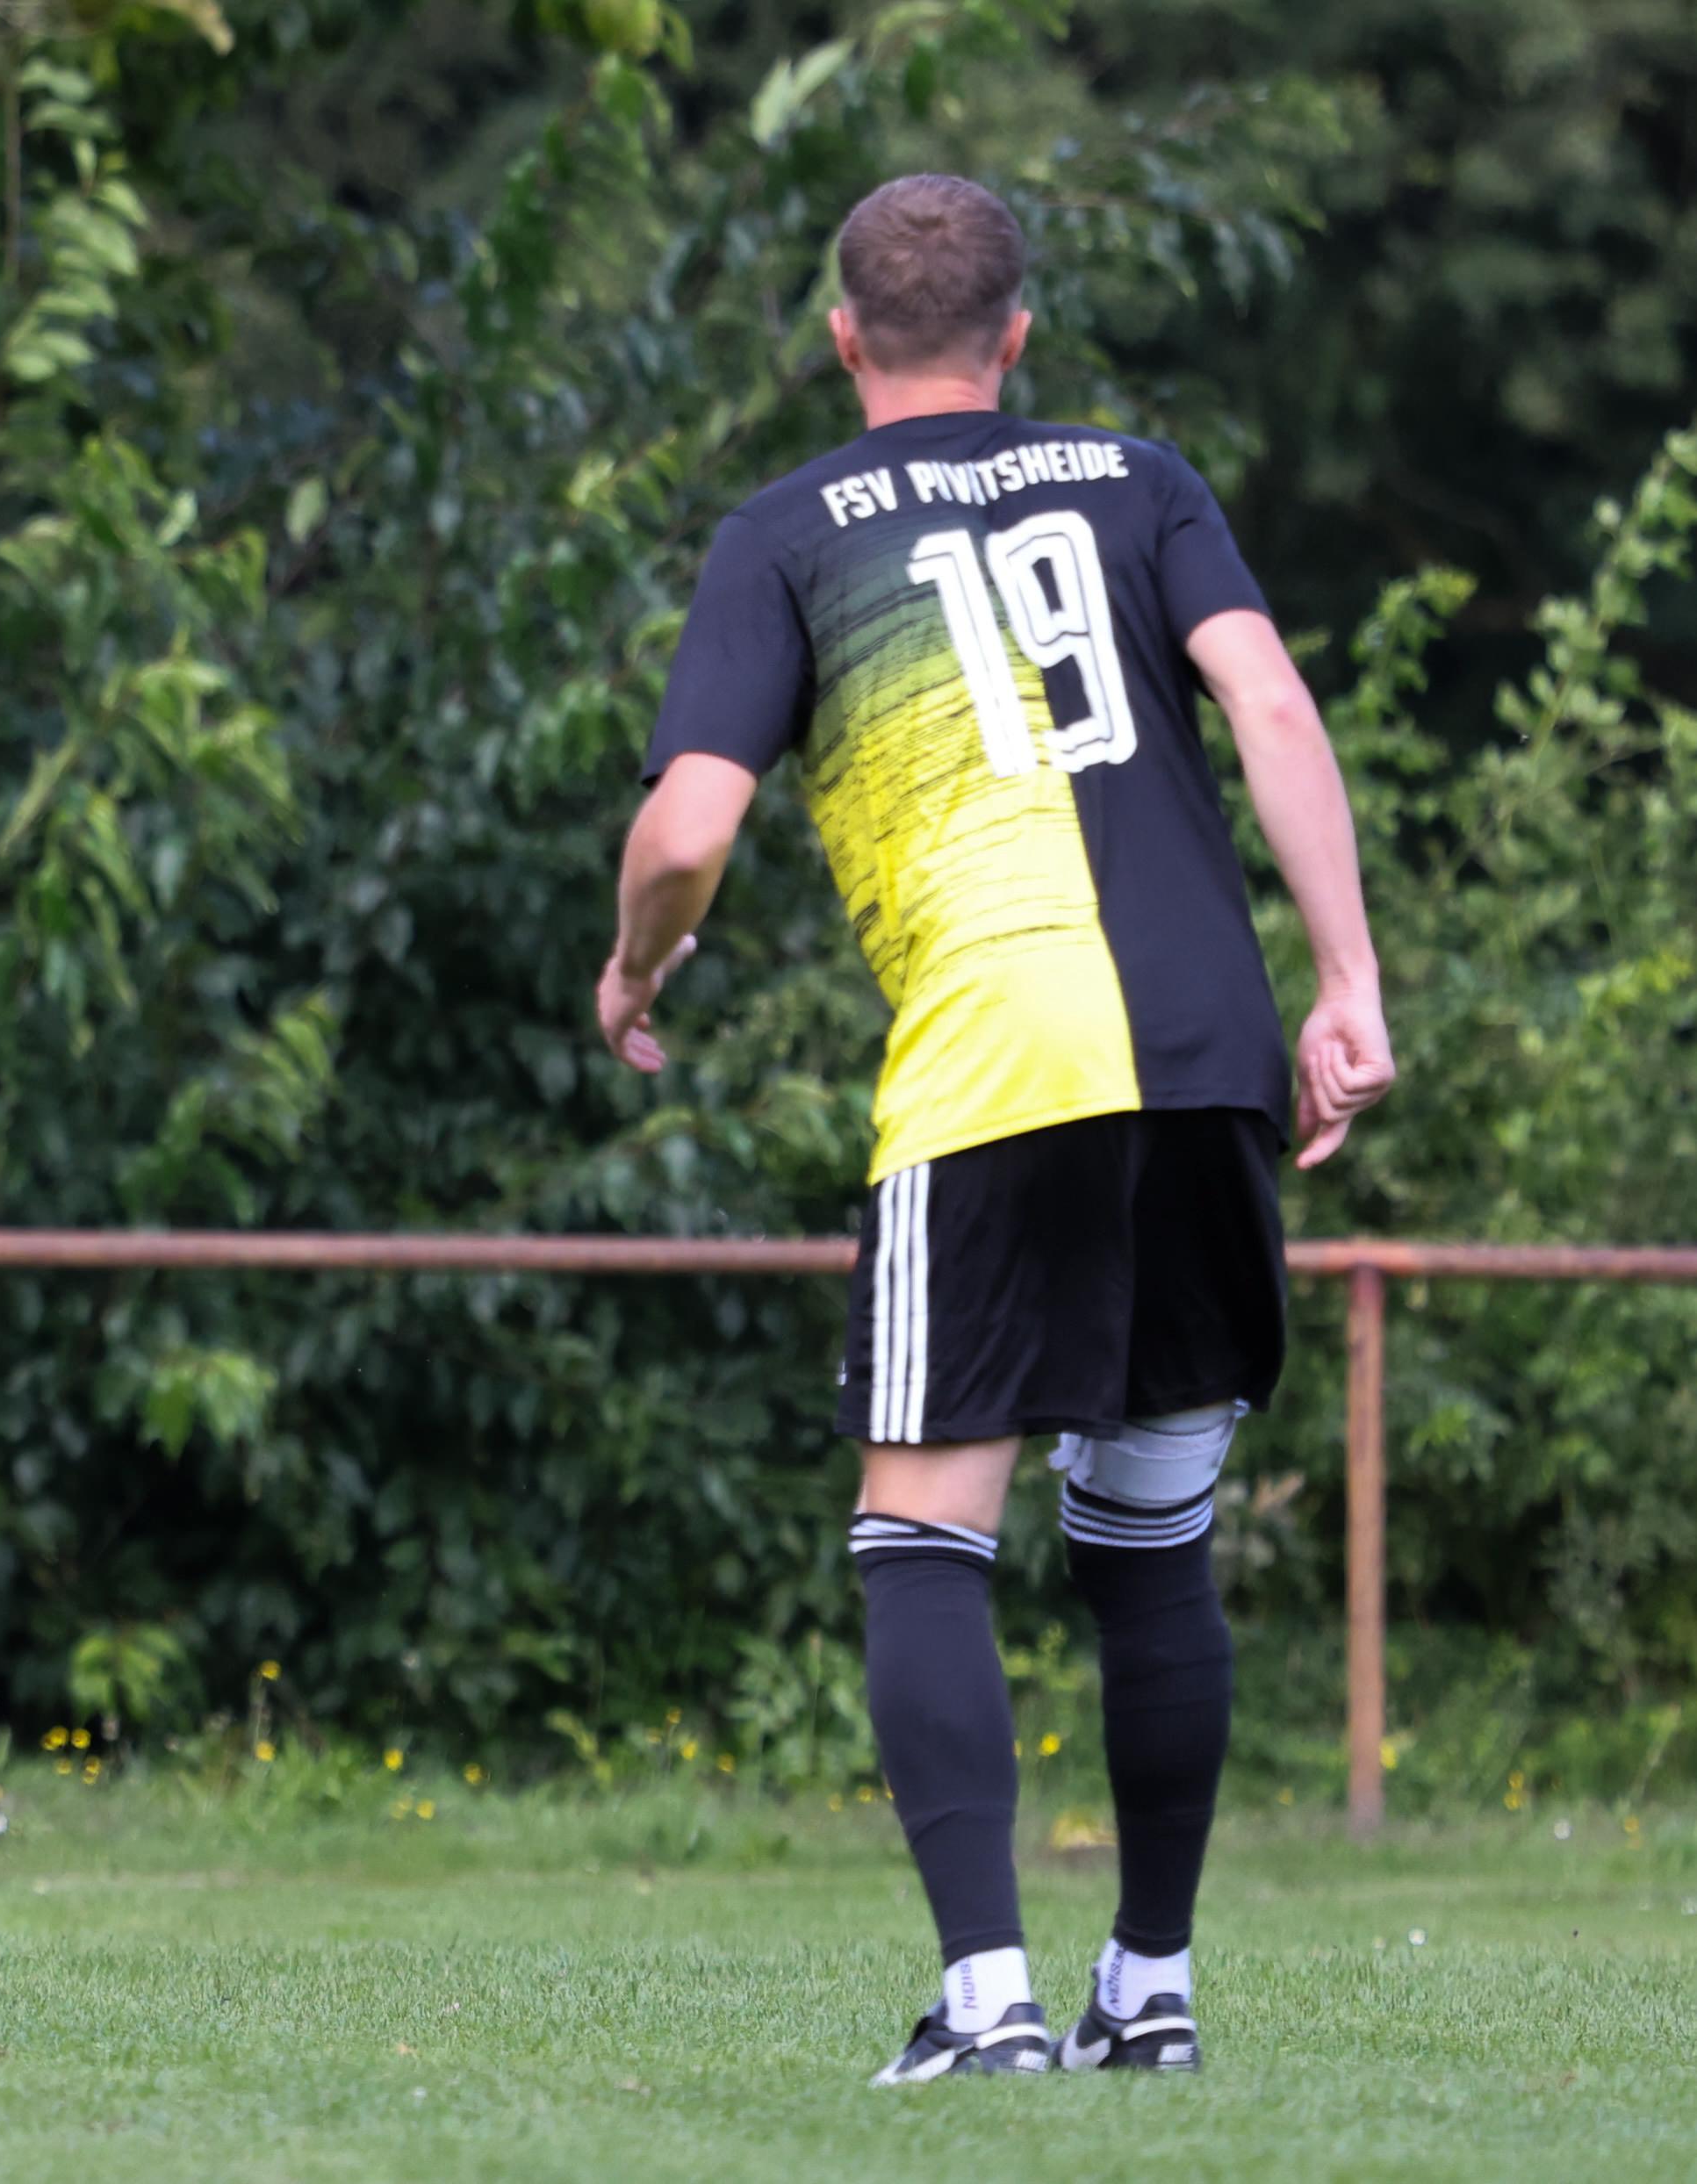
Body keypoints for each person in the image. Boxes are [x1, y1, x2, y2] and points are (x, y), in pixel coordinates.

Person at [596, 175, 1394, 2084]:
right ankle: (1150, 1985)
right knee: (1151, 1537)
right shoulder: (1139, 478)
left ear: (842, 337)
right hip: (1201, 1044)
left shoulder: (788, 530)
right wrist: (1347, 981)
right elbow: (1273, 707)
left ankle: (987, 2007)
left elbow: (688, 825)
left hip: (995, 1059)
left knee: (921, 1533)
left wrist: (632, 964)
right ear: (1018, 334)